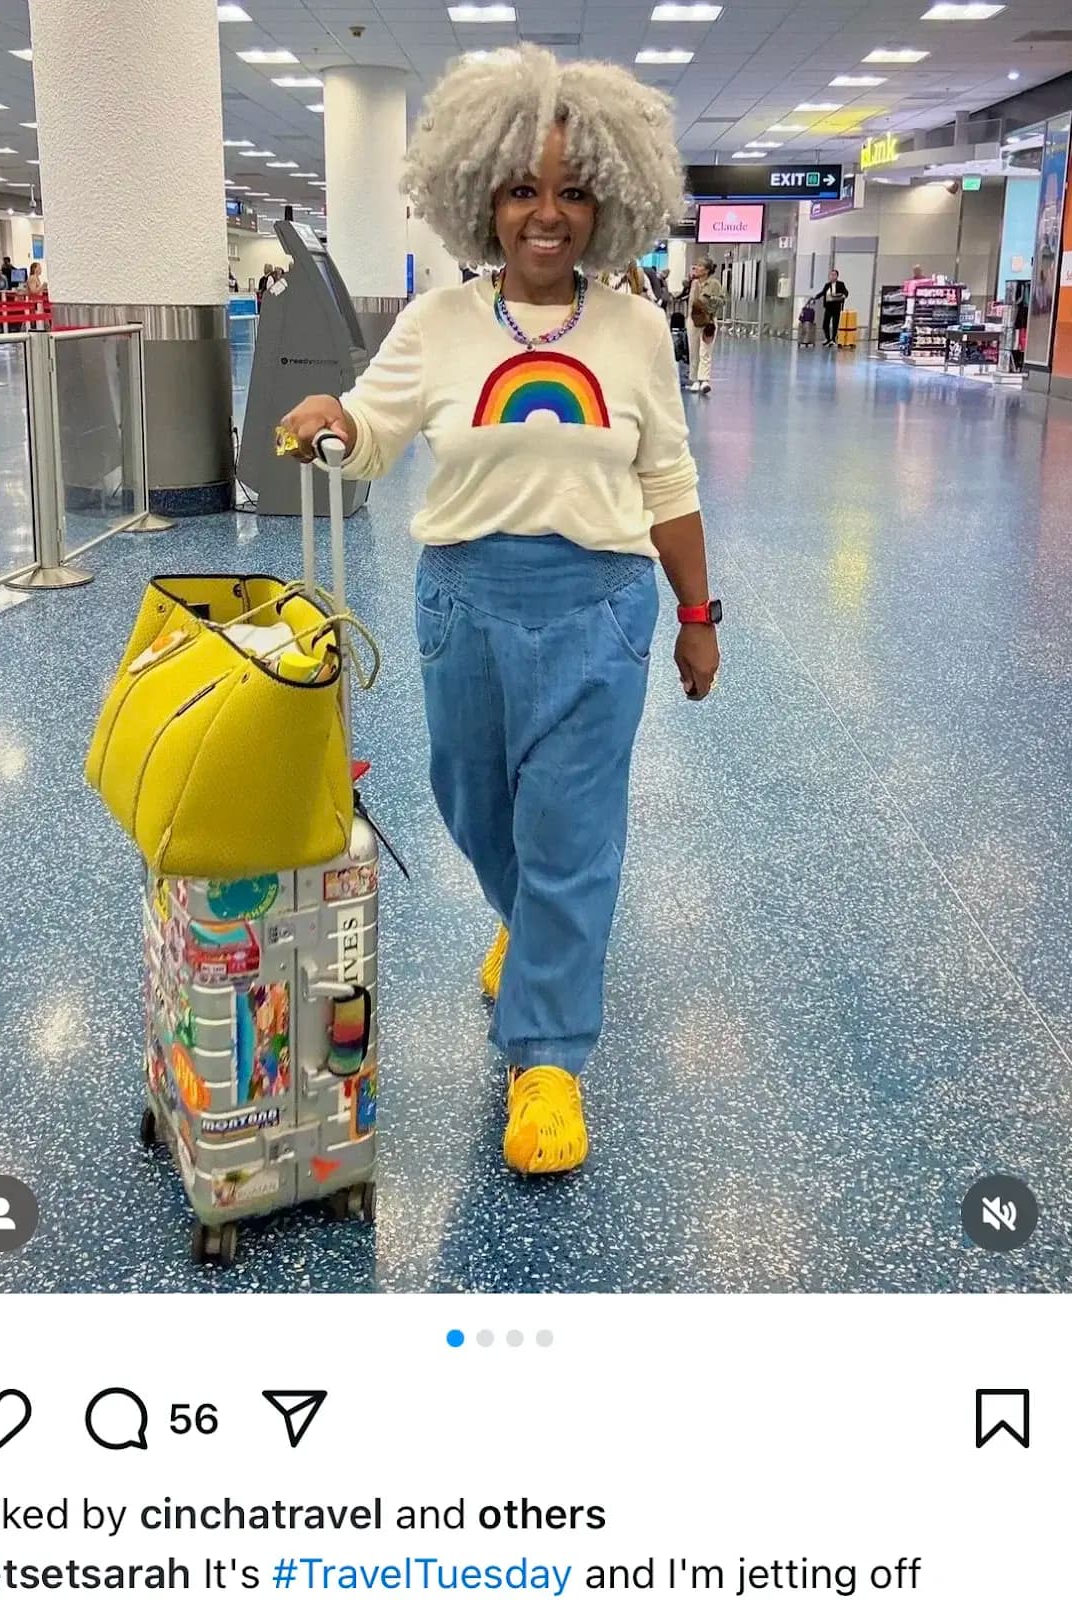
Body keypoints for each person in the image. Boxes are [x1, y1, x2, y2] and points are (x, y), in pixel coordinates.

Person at [280, 43, 719, 1176]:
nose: (547, 214)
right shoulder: (436, 324)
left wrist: (697, 613)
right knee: (473, 806)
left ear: (609, 204)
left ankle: (547, 1062)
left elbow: (668, 480)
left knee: (571, 834)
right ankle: (526, 931)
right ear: (481, 195)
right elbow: (372, 432)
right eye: (523, 188)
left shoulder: (634, 331)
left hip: (599, 609)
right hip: (462, 605)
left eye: (573, 191)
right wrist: (333, 418)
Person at [684, 256, 724, 394]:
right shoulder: (694, 283)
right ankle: (694, 379)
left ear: (707, 270)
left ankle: (704, 380)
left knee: (705, 351)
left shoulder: (714, 284)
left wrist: (710, 301)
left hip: (708, 320)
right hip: (693, 320)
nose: (697, 268)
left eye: (700, 266)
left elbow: (722, 301)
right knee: (693, 351)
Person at [818, 267, 848, 347]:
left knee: (835, 323)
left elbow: (845, 291)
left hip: (836, 306)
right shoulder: (827, 285)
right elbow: (823, 292)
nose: (832, 276)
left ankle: (833, 339)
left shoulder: (841, 284)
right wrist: (815, 297)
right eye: (831, 275)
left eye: (834, 275)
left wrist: (844, 295)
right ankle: (827, 338)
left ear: (837, 276)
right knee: (825, 324)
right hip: (828, 306)